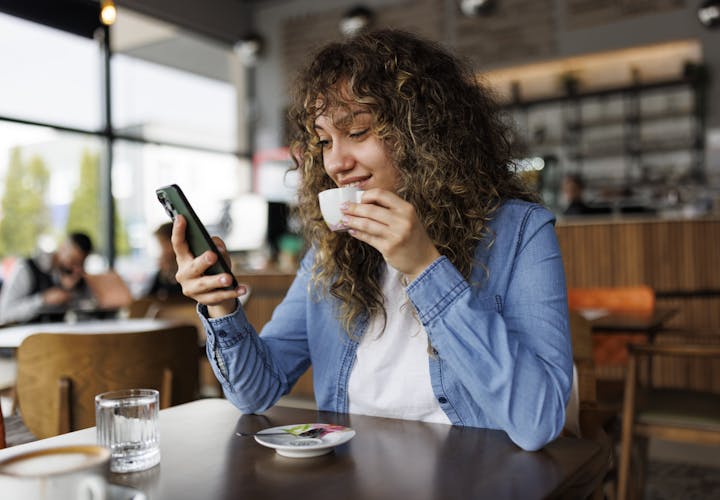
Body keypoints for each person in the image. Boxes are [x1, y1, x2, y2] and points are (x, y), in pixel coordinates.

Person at [172, 30, 573, 451]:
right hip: (349, 475)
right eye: (325, 141)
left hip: (470, 477)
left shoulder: (520, 233)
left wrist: (424, 268)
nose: (336, 163)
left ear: (425, 134)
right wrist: (221, 304)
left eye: (359, 132)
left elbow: (538, 422)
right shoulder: (331, 254)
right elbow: (255, 391)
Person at [0, 232, 94, 324]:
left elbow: (88, 311)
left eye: (81, 264)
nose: (77, 269)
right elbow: (4, 314)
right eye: (73, 261)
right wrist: (42, 300)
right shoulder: (27, 269)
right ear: (62, 248)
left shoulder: (74, 277)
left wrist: (71, 292)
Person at [143, 222, 184, 301]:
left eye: (162, 244)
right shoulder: (163, 273)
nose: (161, 251)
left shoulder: (188, 271)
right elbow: (149, 297)